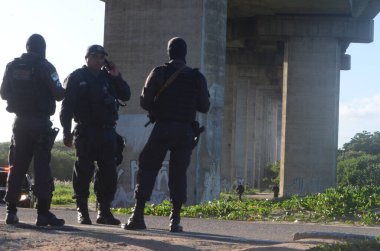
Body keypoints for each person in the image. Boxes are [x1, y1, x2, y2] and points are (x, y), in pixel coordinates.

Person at [121, 37, 210, 232]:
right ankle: (175, 220)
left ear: (169, 52)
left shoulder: (159, 72)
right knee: (178, 173)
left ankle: (138, 216)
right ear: (185, 54)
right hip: (185, 131)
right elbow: (205, 106)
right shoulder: (197, 77)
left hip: (164, 127)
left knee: (148, 166)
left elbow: (145, 102)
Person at [60, 44, 130, 225]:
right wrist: (66, 132)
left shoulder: (109, 78)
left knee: (108, 173)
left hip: (107, 131)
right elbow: (66, 108)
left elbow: (126, 95)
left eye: (102, 57)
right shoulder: (77, 77)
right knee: (83, 171)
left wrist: (117, 76)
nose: (100, 60)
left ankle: (104, 211)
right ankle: (82, 211)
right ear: (88, 58)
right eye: (96, 57)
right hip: (86, 131)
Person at [0, 34, 65, 226]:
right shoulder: (46, 66)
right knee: (42, 167)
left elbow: (3, 93)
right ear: (42, 48)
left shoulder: (12, 66)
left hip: (19, 123)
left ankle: (11, 212)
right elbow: (59, 94)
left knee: (16, 166)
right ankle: (43, 213)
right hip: (40, 122)